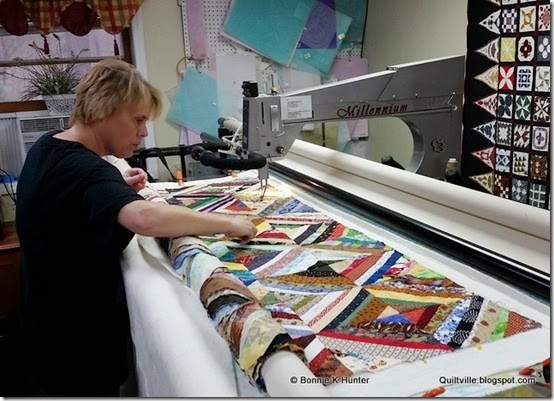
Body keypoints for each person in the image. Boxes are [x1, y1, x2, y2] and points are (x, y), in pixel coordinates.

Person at [15, 59, 257, 397]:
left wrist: (114, 187)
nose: (143, 132)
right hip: (75, 347)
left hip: (43, 326)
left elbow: (67, 200)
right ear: (105, 109)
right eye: (138, 120)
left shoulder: (48, 146)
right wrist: (229, 223)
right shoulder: (88, 169)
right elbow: (144, 218)